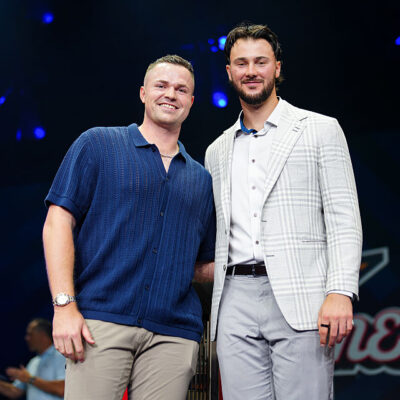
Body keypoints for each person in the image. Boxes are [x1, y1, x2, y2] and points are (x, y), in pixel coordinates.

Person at [42, 55, 215, 400]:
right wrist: (64, 307)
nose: (171, 94)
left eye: (182, 89)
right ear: (142, 93)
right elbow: (57, 222)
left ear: (191, 102)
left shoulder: (202, 179)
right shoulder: (98, 144)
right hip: (99, 323)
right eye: (161, 86)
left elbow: (202, 265)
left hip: (174, 334)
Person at [205, 23, 362, 399]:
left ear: (277, 67)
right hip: (234, 300)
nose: (251, 71)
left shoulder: (321, 130)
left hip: (302, 293)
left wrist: (340, 290)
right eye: (241, 63)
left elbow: (344, 218)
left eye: (261, 61)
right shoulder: (216, 151)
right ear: (229, 72)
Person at [0, 319, 65, 400]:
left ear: (43, 336)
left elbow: (63, 389)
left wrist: (30, 379)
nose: (27, 338)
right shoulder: (33, 362)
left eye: (30, 334)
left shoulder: (61, 356)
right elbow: (15, 392)